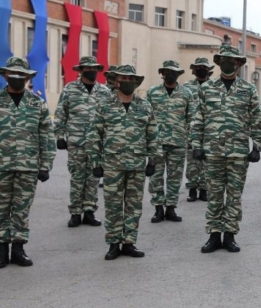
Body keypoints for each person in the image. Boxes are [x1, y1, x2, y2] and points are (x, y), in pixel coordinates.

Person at [191, 45, 261, 254]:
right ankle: (214, 235)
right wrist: (196, 145)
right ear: (218, 62)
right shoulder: (206, 89)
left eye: (232, 60)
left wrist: (256, 145)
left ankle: (230, 235)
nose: (228, 63)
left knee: (234, 195)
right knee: (214, 194)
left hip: (238, 153)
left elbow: (256, 120)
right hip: (212, 151)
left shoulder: (248, 89)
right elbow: (199, 119)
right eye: (224, 60)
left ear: (239, 64)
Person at [87, 64, 160, 260]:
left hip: (136, 164)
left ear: (136, 83)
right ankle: (113, 243)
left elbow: (152, 135)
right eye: (124, 79)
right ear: (116, 81)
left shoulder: (144, 106)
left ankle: (129, 242)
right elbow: (95, 135)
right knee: (112, 205)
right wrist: (96, 163)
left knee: (134, 205)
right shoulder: (104, 105)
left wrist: (153, 161)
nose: (127, 82)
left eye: (131, 80)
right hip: (112, 164)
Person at [0, 57, 55, 267]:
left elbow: (46, 137)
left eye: (21, 75)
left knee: (22, 208)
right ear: (5, 75)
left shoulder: (37, 104)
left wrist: (45, 165)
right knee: (1, 208)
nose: (16, 78)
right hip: (1, 165)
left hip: (28, 166)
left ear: (27, 77)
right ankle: (1, 248)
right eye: (13, 74)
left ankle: (18, 248)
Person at [55, 56, 109, 228]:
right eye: (88, 69)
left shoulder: (105, 91)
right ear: (81, 71)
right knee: (77, 177)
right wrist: (59, 136)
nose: (92, 71)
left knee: (93, 178)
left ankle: (89, 211)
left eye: (94, 68)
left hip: (97, 143)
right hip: (76, 141)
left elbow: (110, 117)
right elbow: (61, 113)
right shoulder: (70, 89)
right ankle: (75, 213)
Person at [146, 60, 194, 223]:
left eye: (174, 72)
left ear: (179, 74)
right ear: (162, 73)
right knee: (156, 177)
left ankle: (171, 208)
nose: (170, 74)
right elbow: (146, 118)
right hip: (157, 143)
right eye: (167, 71)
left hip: (178, 142)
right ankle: (158, 208)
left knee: (175, 177)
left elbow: (191, 118)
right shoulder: (152, 92)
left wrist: (190, 138)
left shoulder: (186, 93)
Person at [183, 58, 213, 202]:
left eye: (204, 67)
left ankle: (204, 189)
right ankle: (192, 189)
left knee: (207, 161)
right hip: (191, 129)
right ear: (194, 70)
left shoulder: (214, 86)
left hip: (209, 129)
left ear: (208, 70)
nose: (201, 69)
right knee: (192, 161)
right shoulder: (186, 87)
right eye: (198, 67)